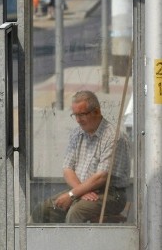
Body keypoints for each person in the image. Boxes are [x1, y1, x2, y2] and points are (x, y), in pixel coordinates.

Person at [31, 90, 131, 224]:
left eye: (82, 114)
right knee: (43, 210)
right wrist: (80, 192)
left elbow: (102, 177)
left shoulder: (113, 137)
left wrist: (73, 194)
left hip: (111, 194)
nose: (78, 120)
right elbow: (67, 169)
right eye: (75, 115)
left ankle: (74, 245)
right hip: (81, 189)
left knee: (76, 212)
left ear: (96, 111)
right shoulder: (77, 133)